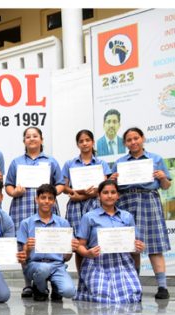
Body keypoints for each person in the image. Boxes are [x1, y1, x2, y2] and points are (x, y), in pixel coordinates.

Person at [110, 127, 172, 299]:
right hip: (126, 202)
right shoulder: (120, 162)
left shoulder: (156, 159)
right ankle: (134, 283)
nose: (133, 142)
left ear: (143, 138)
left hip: (149, 200)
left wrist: (162, 177)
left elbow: (166, 186)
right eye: (129, 140)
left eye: (136, 138)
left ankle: (162, 286)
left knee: (154, 245)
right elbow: (112, 189)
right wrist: (112, 180)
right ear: (125, 144)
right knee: (131, 245)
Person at [5, 127, 64, 298]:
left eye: (35, 136)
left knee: (49, 242)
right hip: (22, 205)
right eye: (28, 137)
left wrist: (51, 191)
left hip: (46, 206)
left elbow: (60, 184)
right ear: (24, 141)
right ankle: (27, 284)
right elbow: (8, 185)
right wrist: (14, 192)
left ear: (41, 139)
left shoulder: (51, 161)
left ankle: (49, 279)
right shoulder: (16, 162)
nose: (32, 139)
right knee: (25, 244)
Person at [74, 180, 144, 303]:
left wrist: (138, 247)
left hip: (122, 262)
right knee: (102, 295)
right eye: (105, 192)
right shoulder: (89, 217)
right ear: (99, 195)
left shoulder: (127, 216)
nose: (109, 195)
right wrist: (87, 253)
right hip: (96, 262)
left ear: (118, 195)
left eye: (113, 192)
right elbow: (80, 246)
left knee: (131, 295)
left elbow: (135, 243)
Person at [16, 184, 77, 302]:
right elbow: (23, 258)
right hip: (35, 265)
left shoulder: (63, 223)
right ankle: (40, 289)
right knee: (43, 268)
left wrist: (69, 249)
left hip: (57, 265)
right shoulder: (26, 223)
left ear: (54, 201)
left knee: (69, 291)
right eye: (43, 198)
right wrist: (27, 248)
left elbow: (67, 258)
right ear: (36, 199)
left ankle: (56, 286)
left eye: (50, 198)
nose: (46, 201)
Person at [62, 129, 110, 273]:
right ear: (77, 144)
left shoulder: (101, 163)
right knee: (78, 244)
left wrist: (83, 196)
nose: (84, 143)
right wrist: (72, 193)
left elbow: (104, 187)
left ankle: (97, 276)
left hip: (95, 205)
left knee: (96, 241)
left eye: (87, 140)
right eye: (81, 141)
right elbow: (64, 186)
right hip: (75, 207)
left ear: (93, 142)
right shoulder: (70, 163)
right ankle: (82, 279)